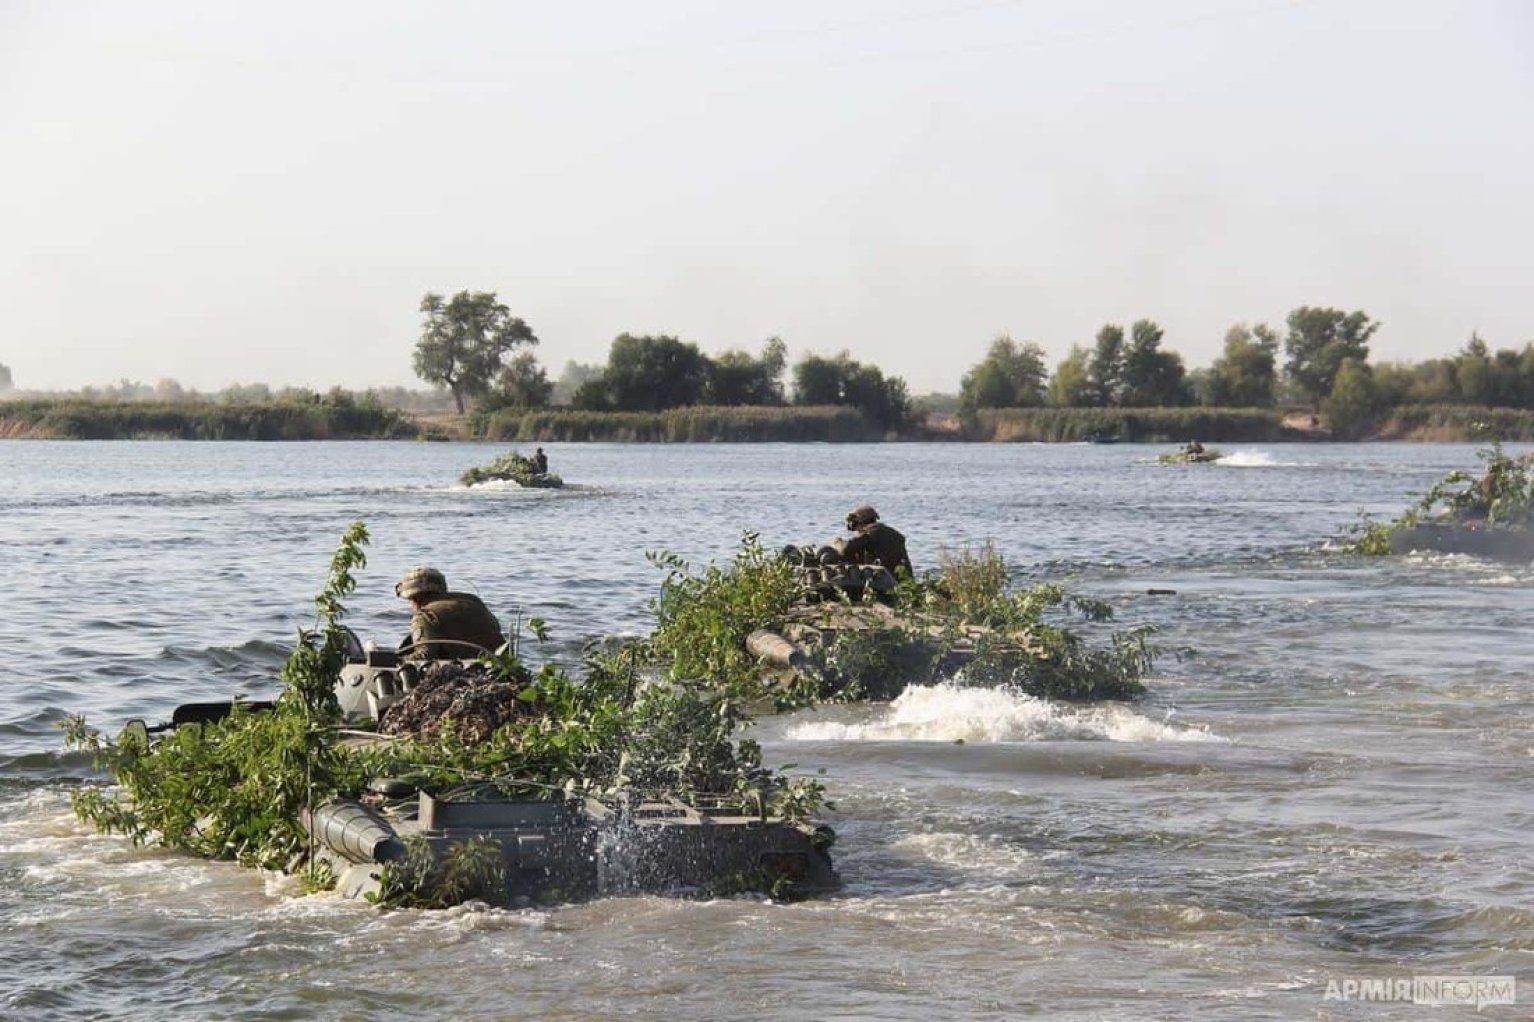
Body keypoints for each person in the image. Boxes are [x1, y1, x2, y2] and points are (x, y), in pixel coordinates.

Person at [394, 566, 506, 660]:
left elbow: (425, 656)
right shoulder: (474, 602)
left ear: (415, 599)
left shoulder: (425, 615)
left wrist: (398, 661)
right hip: (496, 665)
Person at [833, 504, 913, 577]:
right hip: (902, 577)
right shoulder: (889, 532)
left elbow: (846, 549)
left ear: (859, 522)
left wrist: (838, 543)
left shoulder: (871, 532)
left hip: (887, 579)